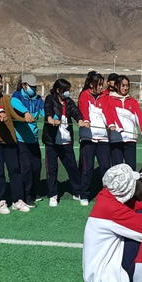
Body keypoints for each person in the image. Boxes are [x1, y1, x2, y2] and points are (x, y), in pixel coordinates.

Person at [82, 164, 142, 282]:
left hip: (94, 273)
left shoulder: (105, 198)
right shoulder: (115, 211)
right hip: (109, 281)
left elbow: (136, 205)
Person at [0, 72, 30, 214]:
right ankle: (0, 201)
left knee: (15, 170)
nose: (0, 84)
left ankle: (17, 200)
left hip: (9, 140)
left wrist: (24, 117)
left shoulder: (6, 99)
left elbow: (13, 114)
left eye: (1, 81)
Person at [43, 79, 86, 207]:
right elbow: (48, 109)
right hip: (52, 141)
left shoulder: (68, 101)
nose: (67, 92)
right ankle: (53, 194)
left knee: (72, 167)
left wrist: (80, 119)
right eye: (65, 90)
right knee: (52, 168)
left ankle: (77, 191)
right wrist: (50, 118)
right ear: (58, 90)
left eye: (68, 90)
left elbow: (75, 111)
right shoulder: (50, 99)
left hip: (66, 140)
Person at [10, 74, 45, 208]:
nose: (33, 89)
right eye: (31, 86)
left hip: (33, 139)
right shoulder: (17, 95)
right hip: (21, 139)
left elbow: (44, 110)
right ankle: (26, 196)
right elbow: (14, 103)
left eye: (35, 87)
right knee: (26, 168)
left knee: (37, 167)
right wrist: (25, 112)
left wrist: (52, 117)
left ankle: (34, 191)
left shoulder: (38, 99)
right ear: (24, 85)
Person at [78, 71, 111, 204]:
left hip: (103, 138)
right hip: (88, 138)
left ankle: (106, 194)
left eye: (102, 85)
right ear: (91, 85)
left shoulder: (105, 96)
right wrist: (86, 120)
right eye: (99, 85)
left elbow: (108, 112)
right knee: (88, 167)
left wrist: (111, 124)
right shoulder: (84, 95)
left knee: (105, 167)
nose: (101, 87)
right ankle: (84, 194)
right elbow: (83, 109)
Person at [102, 75, 142, 169]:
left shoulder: (133, 102)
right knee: (117, 168)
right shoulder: (109, 99)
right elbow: (107, 115)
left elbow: (140, 118)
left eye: (127, 85)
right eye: (123, 85)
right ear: (116, 85)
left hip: (130, 139)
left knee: (131, 168)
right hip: (116, 139)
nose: (125, 88)